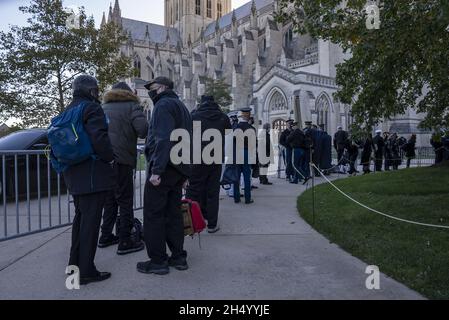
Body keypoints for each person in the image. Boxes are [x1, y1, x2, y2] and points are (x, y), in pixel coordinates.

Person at [137, 77, 192, 275]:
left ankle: (158, 261)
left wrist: (157, 170)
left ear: (161, 88)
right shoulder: (182, 107)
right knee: (173, 214)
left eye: (152, 88)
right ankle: (178, 256)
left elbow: (163, 139)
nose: (150, 92)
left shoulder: (162, 106)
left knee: (154, 215)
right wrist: (186, 172)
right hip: (178, 169)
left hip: (164, 169)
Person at [64, 75, 115, 285]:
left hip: (73, 174)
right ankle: (86, 271)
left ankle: (74, 267)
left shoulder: (67, 110)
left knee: (80, 220)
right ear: (89, 90)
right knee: (90, 224)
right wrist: (110, 157)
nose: (96, 93)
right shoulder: (91, 109)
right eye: (94, 90)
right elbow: (99, 139)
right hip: (92, 174)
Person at [99, 82, 148, 254]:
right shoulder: (132, 106)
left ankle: (105, 236)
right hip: (123, 160)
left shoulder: (102, 107)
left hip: (105, 162)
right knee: (125, 200)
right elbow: (143, 130)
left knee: (110, 200)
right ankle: (125, 241)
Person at [186, 96, 231, 234]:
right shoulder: (223, 117)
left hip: (198, 157)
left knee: (194, 190)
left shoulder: (194, 115)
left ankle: (192, 222)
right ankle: (212, 223)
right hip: (215, 158)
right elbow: (228, 132)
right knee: (212, 191)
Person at [233, 108, 255, 204]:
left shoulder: (236, 127)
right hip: (246, 152)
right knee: (246, 177)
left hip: (238, 152)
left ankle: (236, 197)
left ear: (242, 115)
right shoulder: (251, 128)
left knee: (236, 176)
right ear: (248, 115)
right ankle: (247, 198)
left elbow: (233, 141)